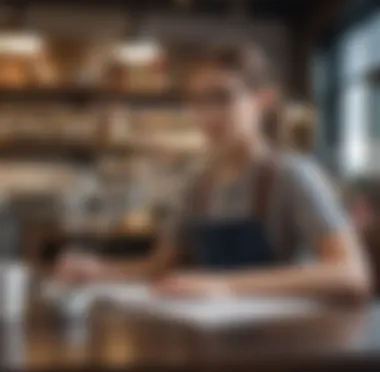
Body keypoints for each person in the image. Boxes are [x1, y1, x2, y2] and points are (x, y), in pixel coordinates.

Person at [56, 45, 371, 303]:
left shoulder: (291, 174)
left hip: (288, 344)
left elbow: (352, 275)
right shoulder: (199, 186)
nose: (208, 115)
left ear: (262, 101)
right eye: (199, 101)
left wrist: (225, 287)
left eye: (222, 97)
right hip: (217, 341)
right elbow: (158, 267)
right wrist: (98, 271)